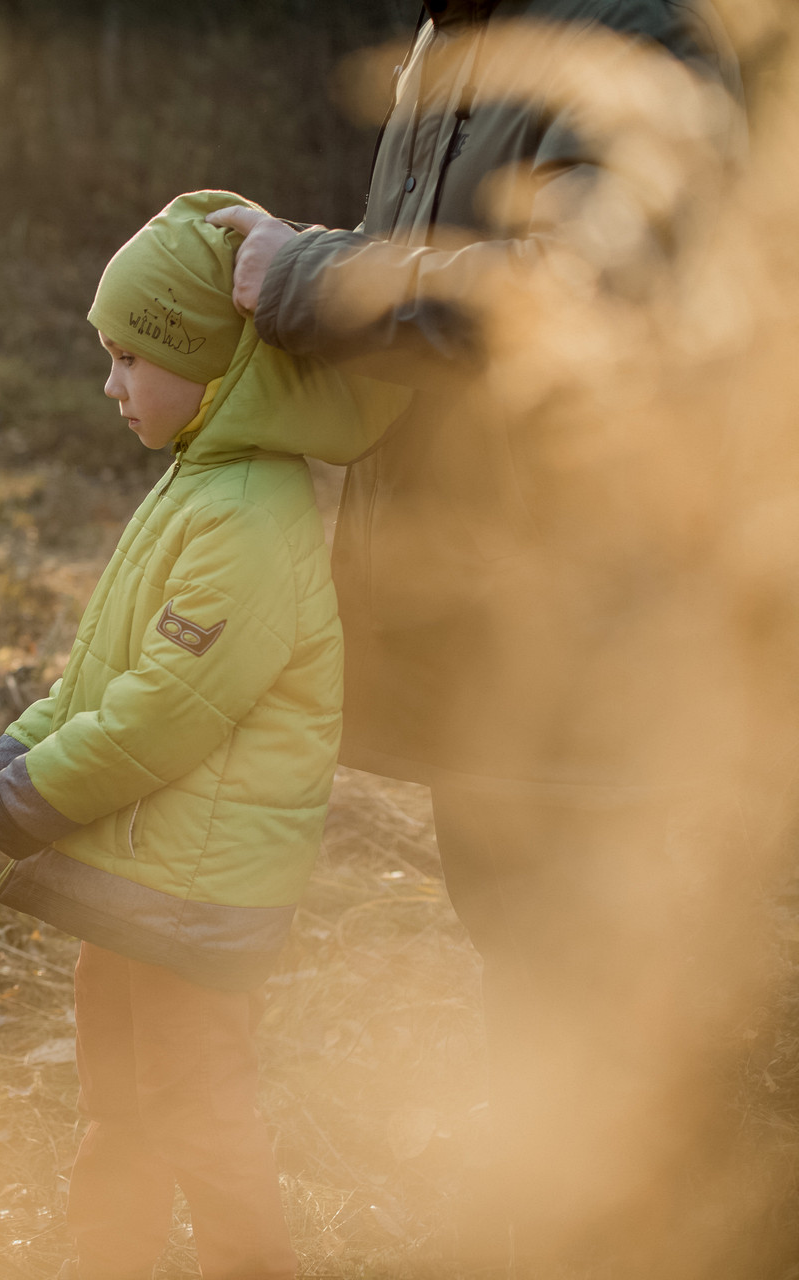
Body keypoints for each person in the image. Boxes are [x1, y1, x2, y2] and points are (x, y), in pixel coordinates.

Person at [206, 0, 745, 1265]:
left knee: (593, 967)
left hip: (592, 619)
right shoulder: (454, 39)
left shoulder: (637, 32)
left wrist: (310, 276)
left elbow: (585, 290)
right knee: (513, 925)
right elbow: (430, 302)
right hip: (475, 621)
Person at [0, 191, 409, 1280]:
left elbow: (164, 710)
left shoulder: (251, 514)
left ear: (210, 361)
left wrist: (18, 808)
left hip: (196, 897)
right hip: (138, 873)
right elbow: (99, 675)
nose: (110, 384)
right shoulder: (199, 480)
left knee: (198, 1109)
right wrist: (4, 762)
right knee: (117, 1102)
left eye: (127, 358)